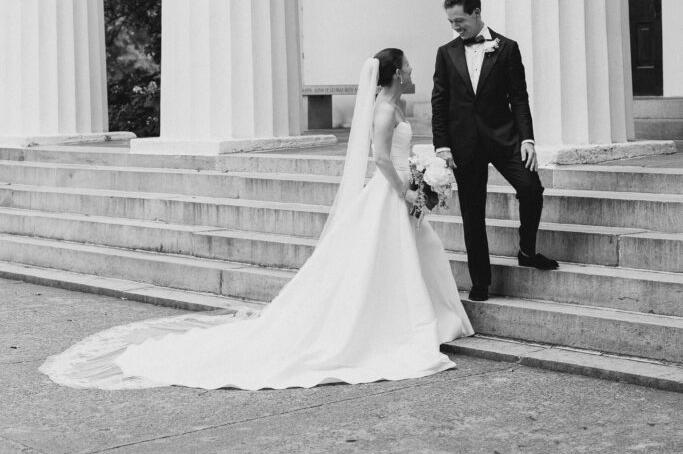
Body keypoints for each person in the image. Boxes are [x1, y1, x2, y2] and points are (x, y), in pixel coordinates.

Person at [40, 50, 473, 391]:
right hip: (390, 194)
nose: (413, 69)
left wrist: (422, 172)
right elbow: (379, 157)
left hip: (400, 195)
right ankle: (400, 327)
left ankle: (426, 318)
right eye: (409, 66)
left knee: (407, 258)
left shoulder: (393, 107)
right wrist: (407, 188)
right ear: (396, 73)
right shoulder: (382, 110)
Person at [431, 0, 558, 303]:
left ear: (476, 13)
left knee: (531, 188)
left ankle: (527, 251)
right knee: (472, 214)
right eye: (450, 21)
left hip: (504, 138)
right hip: (463, 144)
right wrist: (442, 146)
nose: (455, 27)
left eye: (459, 20)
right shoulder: (446, 53)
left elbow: (519, 97)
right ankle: (480, 282)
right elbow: (439, 103)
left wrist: (527, 139)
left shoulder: (507, 48)